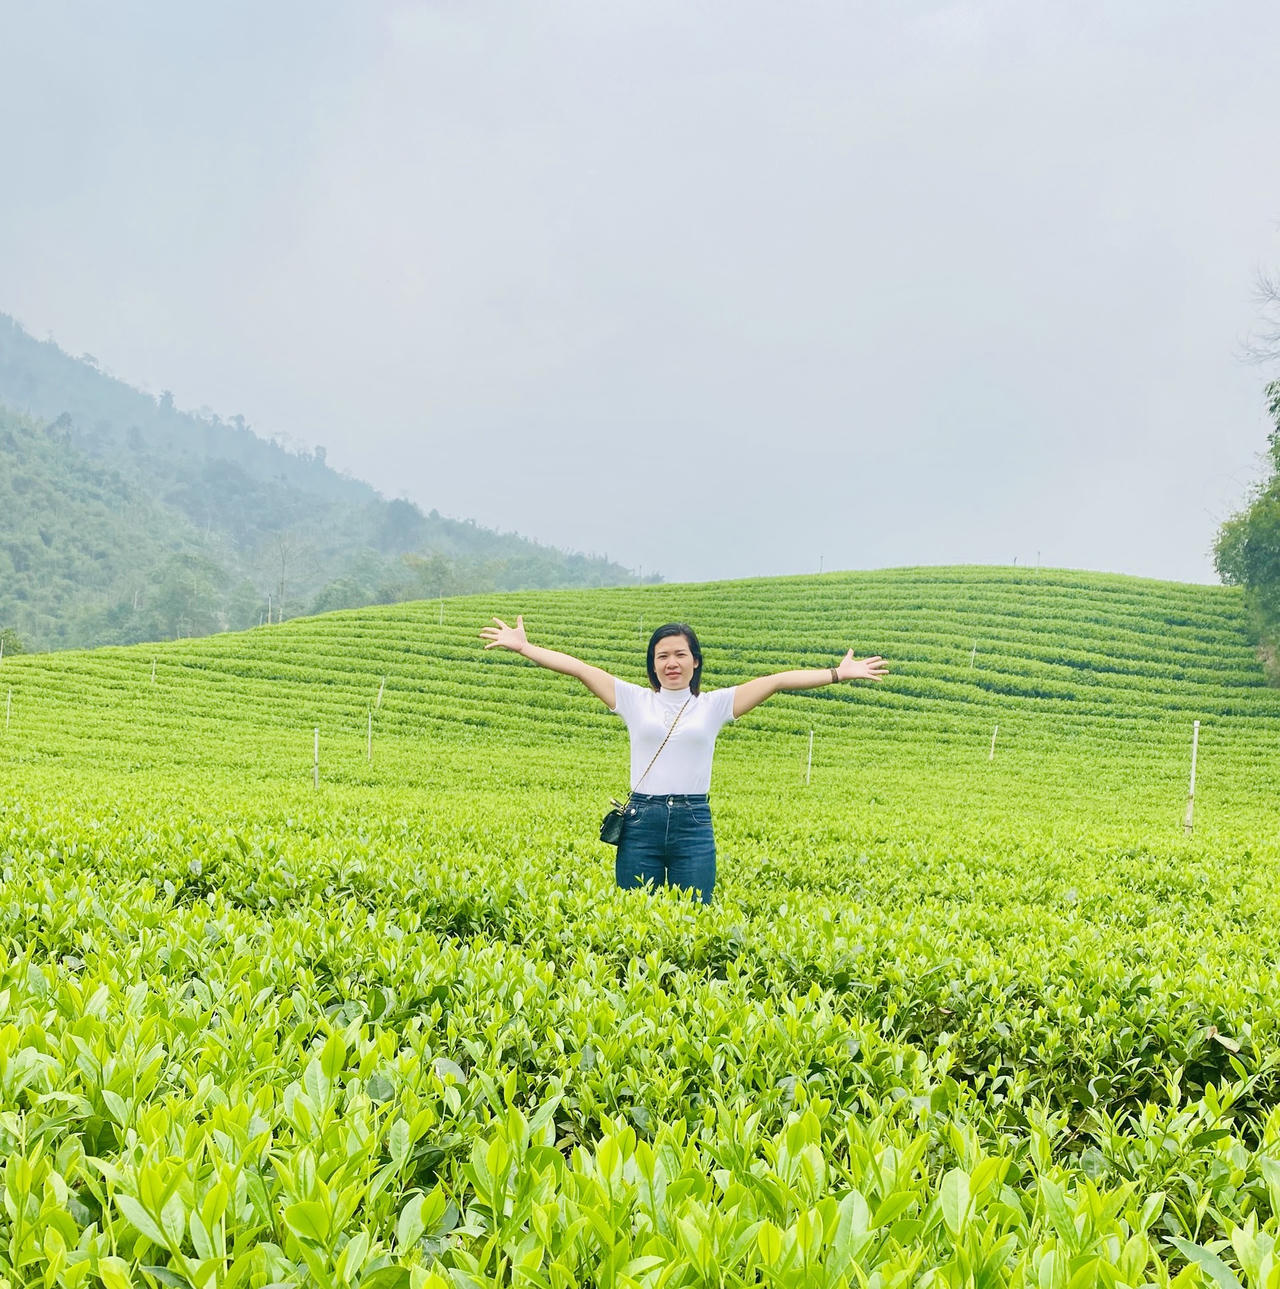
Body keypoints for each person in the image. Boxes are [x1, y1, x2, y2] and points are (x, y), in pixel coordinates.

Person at [479, 616, 888, 903]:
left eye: (680, 654)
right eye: (662, 656)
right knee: (636, 919)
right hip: (641, 822)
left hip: (693, 824)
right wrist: (525, 647)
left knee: (694, 921)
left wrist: (838, 673)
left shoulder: (714, 705)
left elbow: (776, 681)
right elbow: (579, 669)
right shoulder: (634, 699)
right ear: (652, 665)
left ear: (695, 661)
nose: (671, 663)